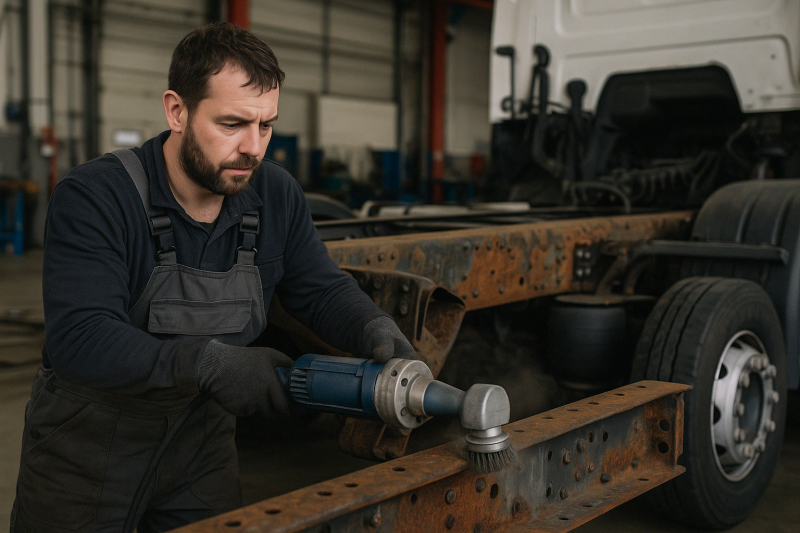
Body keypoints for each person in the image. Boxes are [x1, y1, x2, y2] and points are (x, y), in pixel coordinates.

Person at [11, 22, 415, 533]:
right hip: (86, 448)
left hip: (201, 444)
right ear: (177, 111)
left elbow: (319, 287)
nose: (253, 147)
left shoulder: (275, 193)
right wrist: (211, 364)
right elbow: (80, 338)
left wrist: (371, 325)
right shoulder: (97, 196)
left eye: (265, 126)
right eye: (232, 124)